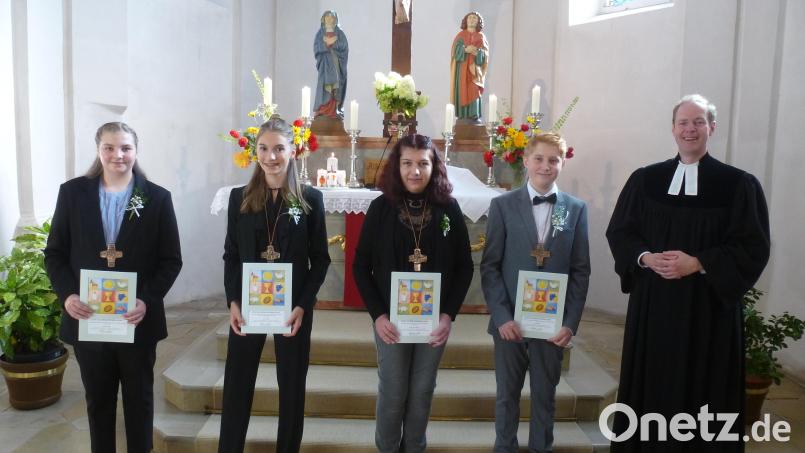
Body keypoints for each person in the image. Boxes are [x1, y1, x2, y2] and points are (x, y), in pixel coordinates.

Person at [606, 94, 770, 451]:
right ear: (673, 129)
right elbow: (621, 232)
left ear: (712, 128)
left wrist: (699, 262)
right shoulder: (646, 180)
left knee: (705, 389)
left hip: (708, 312)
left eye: (698, 122)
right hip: (654, 309)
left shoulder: (737, 184)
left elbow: (752, 247)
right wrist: (646, 257)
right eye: (683, 122)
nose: (690, 129)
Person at [44, 122, 183, 453]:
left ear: (136, 151)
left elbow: (170, 260)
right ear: (98, 150)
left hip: (135, 319)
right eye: (109, 147)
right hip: (89, 318)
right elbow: (55, 254)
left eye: (125, 148)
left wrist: (147, 300)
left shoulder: (157, 198)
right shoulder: (73, 193)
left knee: (139, 400)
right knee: (98, 402)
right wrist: (68, 295)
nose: (117, 155)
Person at [353, 134, 473, 453]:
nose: (415, 171)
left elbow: (464, 267)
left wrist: (448, 316)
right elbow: (361, 267)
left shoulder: (449, 209)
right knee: (393, 392)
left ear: (434, 167)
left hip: (433, 321)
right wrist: (378, 316)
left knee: (421, 391)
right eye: (407, 163)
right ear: (397, 166)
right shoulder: (380, 209)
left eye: (423, 163)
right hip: (391, 321)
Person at [218, 118, 330, 453]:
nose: (271, 157)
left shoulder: (310, 198)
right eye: (264, 148)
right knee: (237, 385)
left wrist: (303, 306)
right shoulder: (239, 198)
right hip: (248, 305)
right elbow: (231, 255)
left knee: (292, 387)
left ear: (292, 150)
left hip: (292, 307)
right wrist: (233, 301)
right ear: (255, 151)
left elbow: (320, 259)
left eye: (279, 148)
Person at [481, 132, 590, 453]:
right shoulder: (502, 205)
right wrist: (502, 317)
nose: (545, 166)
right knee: (507, 395)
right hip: (510, 322)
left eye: (553, 160)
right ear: (526, 161)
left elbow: (580, 270)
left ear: (562, 163)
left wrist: (570, 323)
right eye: (539, 159)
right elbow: (490, 267)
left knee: (545, 396)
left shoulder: (575, 209)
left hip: (552, 324)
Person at [450, 11, 489, 121]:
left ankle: (474, 115)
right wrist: (465, 49)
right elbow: (455, 51)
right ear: (466, 21)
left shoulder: (481, 36)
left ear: (478, 22)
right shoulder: (460, 35)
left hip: (475, 71)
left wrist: (477, 52)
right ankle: (462, 115)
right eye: (470, 18)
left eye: (474, 18)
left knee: (474, 89)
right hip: (462, 69)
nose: (472, 20)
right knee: (462, 90)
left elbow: (485, 54)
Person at [313, 10, 348, 119]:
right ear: (323, 19)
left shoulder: (340, 33)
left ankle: (335, 109)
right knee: (324, 85)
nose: (329, 19)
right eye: (327, 17)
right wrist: (325, 45)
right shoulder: (320, 33)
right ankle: (322, 110)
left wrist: (334, 43)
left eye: (332, 17)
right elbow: (316, 47)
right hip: (324, 66)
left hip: (336, 63)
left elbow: (344, 47)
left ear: (335, 20)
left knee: (336, 84)